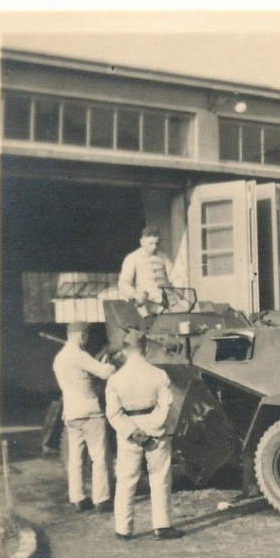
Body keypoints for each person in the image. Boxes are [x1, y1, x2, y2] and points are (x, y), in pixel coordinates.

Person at [105, 329, 184, 541]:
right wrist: (151, 431)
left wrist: (133, 432)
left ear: (124, 350)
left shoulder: (115, 379)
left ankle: (123, 529)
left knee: (126, 479)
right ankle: (162, 526)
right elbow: (166, 405)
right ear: (145, 349)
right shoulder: (159, 375)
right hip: (154, 431)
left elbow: (113, 413)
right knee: (160, 478)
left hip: (128, 431)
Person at [51, 321, 116, 512]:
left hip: (71, 413)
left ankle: (78, 498)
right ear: (81, 335)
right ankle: (101, 499)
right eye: (86, 336)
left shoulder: (59, 358)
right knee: (99, 457)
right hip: (90, 412)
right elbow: (104, 373)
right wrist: (109, 365)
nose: (86, 340)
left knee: (76, 459)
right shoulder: (79, 355)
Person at [117, 226, 175, 306]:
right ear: (142, 242)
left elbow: (175, 276)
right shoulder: (132, 258)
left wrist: (178, 291)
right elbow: (123, 283)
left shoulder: (163, 257)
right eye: (150, 243)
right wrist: (135, 295)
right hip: (147, 303)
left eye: (157, 243)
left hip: (168, 301)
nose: (154, 247)